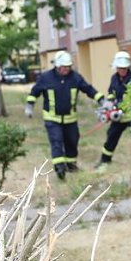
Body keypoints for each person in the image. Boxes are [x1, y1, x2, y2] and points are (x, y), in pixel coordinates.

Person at [25, 50, 105, 180]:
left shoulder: (75, 78)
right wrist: (29, 106)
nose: (66, 69)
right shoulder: (46, 78)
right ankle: (60, 169)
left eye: (68, 67)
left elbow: (88, 89)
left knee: (72, 142)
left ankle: (71, 165)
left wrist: (101, 99)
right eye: (63, 67)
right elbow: (35, 92)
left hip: (70, 119)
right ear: (57, 66)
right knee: (56, 141)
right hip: (52, 119)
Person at [96, 51, 131, 171]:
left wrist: (123, 108)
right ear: (116, 67)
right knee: (111, 136)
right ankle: (105, 162)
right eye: (120, 68)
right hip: (118, 116)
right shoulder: (114, 78)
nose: (123, 70)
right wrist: (109, 105)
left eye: (125, 68)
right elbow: (111, 93)